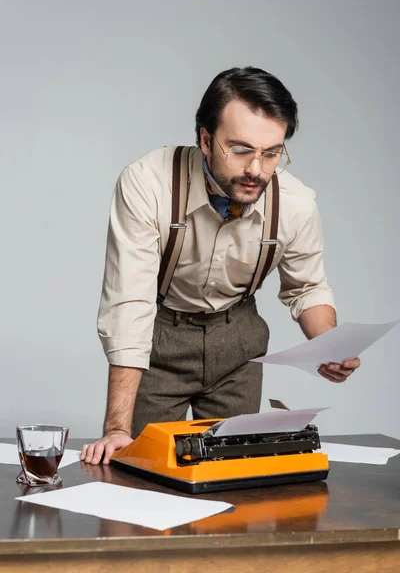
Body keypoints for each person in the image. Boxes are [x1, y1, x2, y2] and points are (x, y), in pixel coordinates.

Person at [81, 67, 360, 465]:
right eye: (242, 149)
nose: (257, 171)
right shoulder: (148, 183)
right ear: (206, 140)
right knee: (143, 470)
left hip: (238, 340)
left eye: (272, 153)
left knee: (237, 476)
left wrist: (330, 346)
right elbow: (130, 303)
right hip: (161, 340)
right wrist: (116, 429)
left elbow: (307, 288)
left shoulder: (295, 204)